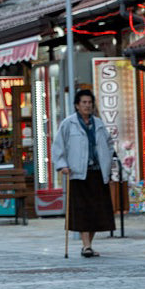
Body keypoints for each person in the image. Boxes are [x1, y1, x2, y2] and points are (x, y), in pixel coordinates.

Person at [51, 88, 116, 257]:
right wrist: (62, 165)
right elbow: (58, 146)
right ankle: (86, 246)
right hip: (79, 173)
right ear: (77, 105)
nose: (87, 105)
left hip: (98, 173)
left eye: (90, 103)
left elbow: (109, 145)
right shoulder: (68, 123)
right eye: (84, 103)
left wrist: (108, 163)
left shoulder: (99, 124)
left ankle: (89, 245)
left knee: (96, 211)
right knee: (82, 210)